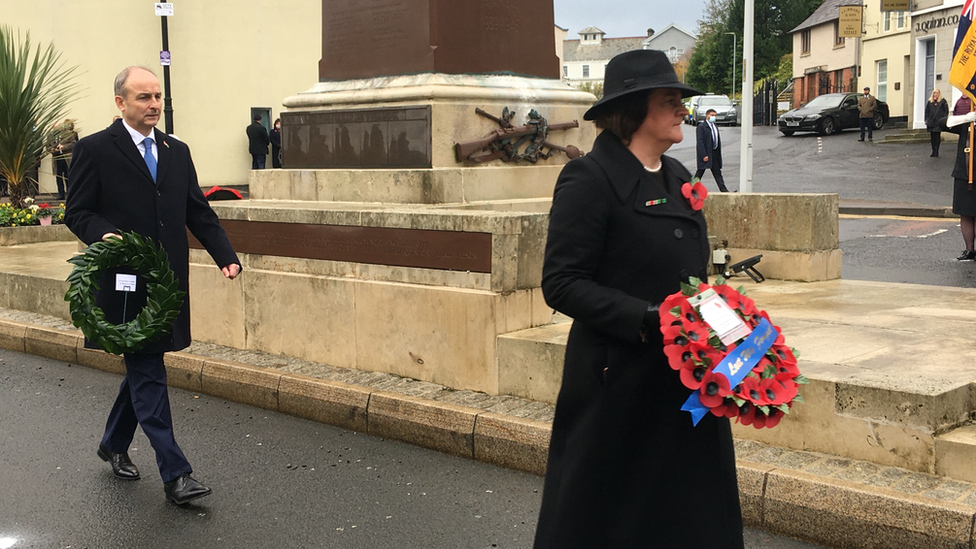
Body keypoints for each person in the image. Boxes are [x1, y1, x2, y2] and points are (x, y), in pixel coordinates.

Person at [533, 49, 743, 549]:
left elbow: (691, 278)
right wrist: (648, 318)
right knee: (615, 516)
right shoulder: (590, 178)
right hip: (618, 383)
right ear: (632, 110)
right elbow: (561, 282)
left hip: (688, 381)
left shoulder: (675, 176)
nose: (682, 109)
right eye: (669, 99)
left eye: (680, 99)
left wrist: (732, 330)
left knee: (689, 509)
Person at [65, 66, 242, 505]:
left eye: (158, 96)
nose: (154, 105)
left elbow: (197, 211)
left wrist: (226, 257)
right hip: (125, 287)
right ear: (120, 103)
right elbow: (78, 211)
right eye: (143, 97)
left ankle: (112, 442)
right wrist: (104, 233)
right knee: (148, 372)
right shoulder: (94, 150)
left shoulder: (176, 151)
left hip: (167, 286)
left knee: (143, 368)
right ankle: (176, 475)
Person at [940, 98, 976, 261]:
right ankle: (969, 250)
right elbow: (942, 123)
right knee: (966, 214)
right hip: (964, 175)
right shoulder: (966, 124)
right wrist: (966, 118)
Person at [695, 108, 729, 192]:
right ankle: (691, 188)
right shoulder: (701, 127)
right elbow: (700, 142)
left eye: (715, 115)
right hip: (706, 154)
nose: (714, 117)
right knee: (700, 172)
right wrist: (704, 155)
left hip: (714, 153)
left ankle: (724, 190)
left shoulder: (714, 126)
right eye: (712, 115)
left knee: (717, 172)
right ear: (707, 116)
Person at [52, 119, 79, 199]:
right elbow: (48, 146)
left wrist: (63, 147)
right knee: (58, 176)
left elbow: (74, 144)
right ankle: (61, 194)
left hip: (66, 157)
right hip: (57, 157)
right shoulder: (51, 136)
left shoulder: (68, 134)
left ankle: (70, 193)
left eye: (58, 127)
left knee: (68, 175)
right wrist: (53, 149)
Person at [925, 89, 949, 158]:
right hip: (931, 122)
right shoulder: (930, 102)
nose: (936, 94)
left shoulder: (943, 102)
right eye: (934, 93)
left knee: (937, 137)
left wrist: (943, 119)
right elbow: (927, 111)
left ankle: (936, 151)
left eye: (937, 93)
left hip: (938, 122)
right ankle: (933, 151)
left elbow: (946, 111)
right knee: (932, 138)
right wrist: (926, 120)